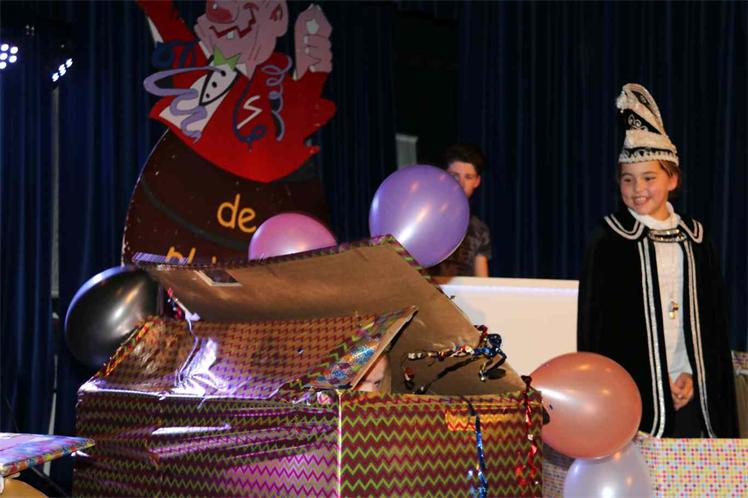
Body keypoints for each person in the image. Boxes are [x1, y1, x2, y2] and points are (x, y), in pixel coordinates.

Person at [577, 83, 738, 438]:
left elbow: (711, 324)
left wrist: (693, 374)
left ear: (672, 179)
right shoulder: (611, 239)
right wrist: (653, 381)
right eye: (628, 179)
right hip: (635, 393)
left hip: (691, 386)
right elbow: (601, 330)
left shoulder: (696, 238)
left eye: (649, 178)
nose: (638, 189)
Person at [431, 144, 492, 277]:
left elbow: (483, 281)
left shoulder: (479, 229)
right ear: (443, 176)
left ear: (477, 181)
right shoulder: (427, 219)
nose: (461, 184)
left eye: (468, 177)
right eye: (454, 176)